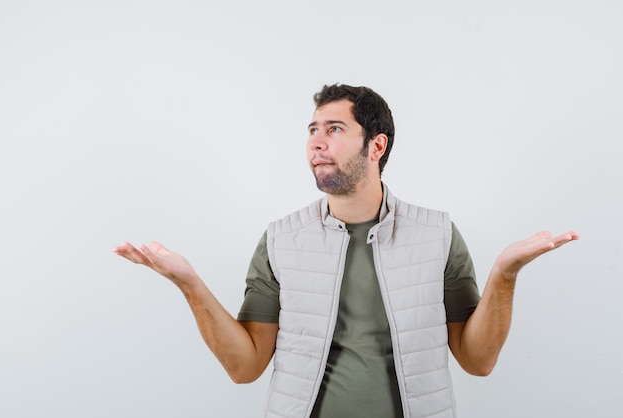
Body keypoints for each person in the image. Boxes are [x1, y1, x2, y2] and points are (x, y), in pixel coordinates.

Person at [114, 84, 579, 418]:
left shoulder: (437, 234)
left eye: (334, 128)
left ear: (376, 145)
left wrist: (505, 274)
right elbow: (245, 367)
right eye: (313, 129)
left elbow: (477, 361)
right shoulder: (280, 239)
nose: (316, 141)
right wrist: (189, 283)